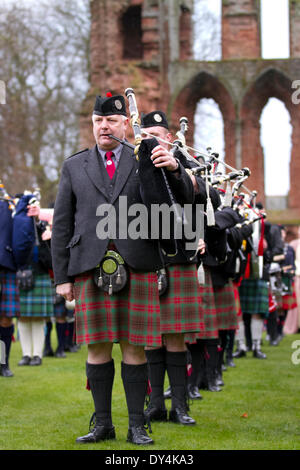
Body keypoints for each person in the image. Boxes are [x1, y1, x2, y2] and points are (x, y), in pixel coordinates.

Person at [51, 93, 194, 445]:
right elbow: (62, 224)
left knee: (135, 347)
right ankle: (102, 425)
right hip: (89, 266)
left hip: (139, 262)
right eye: (98, 121)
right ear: (92, 125)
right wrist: (62, 279)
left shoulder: (144, 156)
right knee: (97, 347)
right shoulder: (74, 166)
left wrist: (174, 168)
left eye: (112, 121)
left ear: (126, 125)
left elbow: (183, 199)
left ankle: (136, 425)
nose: (104, 126)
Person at [140, 111, 207, 426]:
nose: (152, 137)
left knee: (177, 336)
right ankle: (155, 405)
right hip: (147, 257)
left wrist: (176, 168)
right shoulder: (135, 161)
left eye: (157, 132)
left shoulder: (184, 161)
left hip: (178, 257)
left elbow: (203, 193)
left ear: (168, 136)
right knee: (152, 337)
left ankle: (180, 405)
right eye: (146, 132)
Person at [16, 195, 54, 366]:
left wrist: (42, 231)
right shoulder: (19, 225)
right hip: (23, 274)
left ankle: (37, 355)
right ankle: (26, 355)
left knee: (38, 318)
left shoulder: (43, 228)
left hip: (40, 274)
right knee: (23, 318)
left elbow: (51, 256)